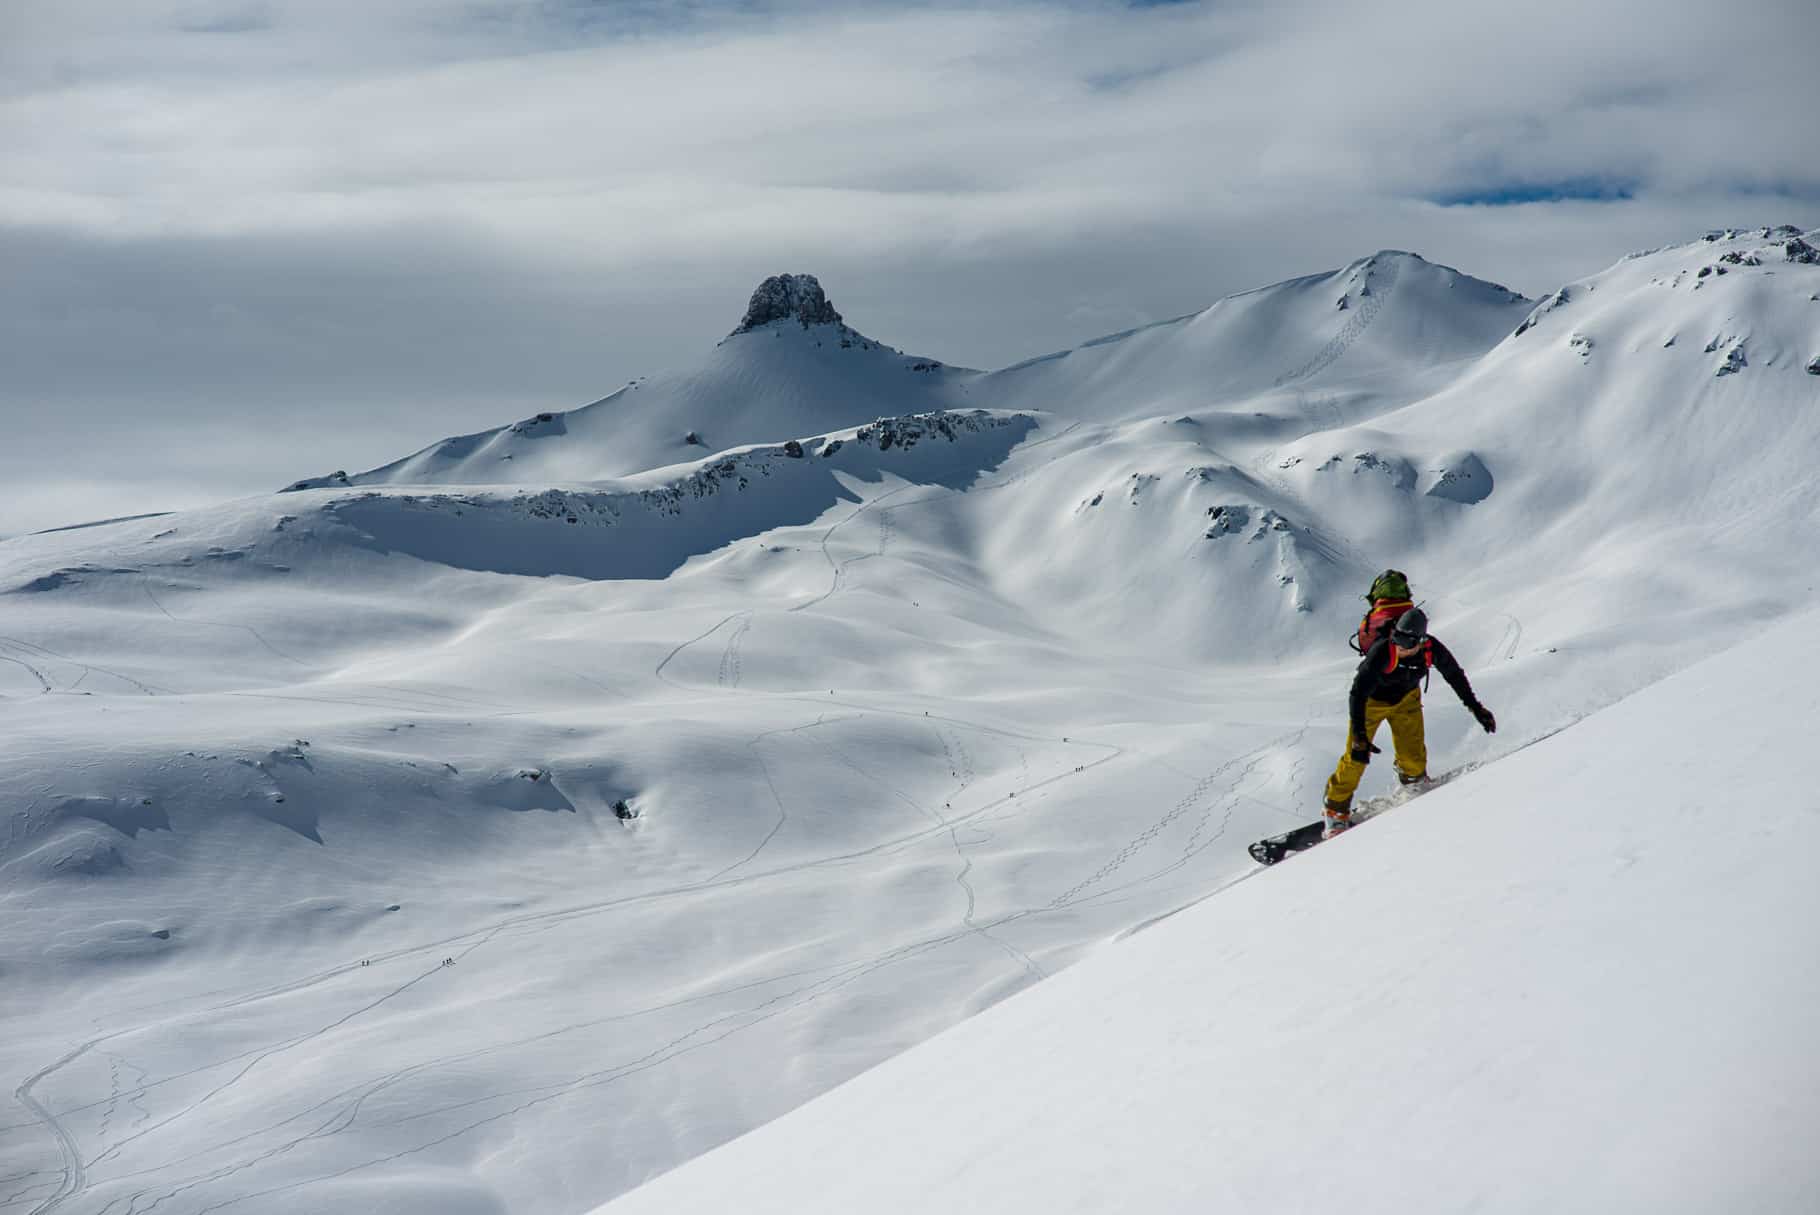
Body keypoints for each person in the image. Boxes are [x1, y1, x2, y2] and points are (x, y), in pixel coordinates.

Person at [1323, 607, 1495, 837]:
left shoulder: (1432, 648)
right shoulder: (1383, 651)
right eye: (1397, 640)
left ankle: (1412, 782)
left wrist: (1475, 707)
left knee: (1414, 759)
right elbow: (1358, 692)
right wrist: (1359, 734)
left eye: (1406, 643)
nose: (1400, 647)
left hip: (1406, 700)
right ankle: (1335, 810)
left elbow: (1454, 674)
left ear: (1421, 641)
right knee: (1356, 757)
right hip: (1371, 703)